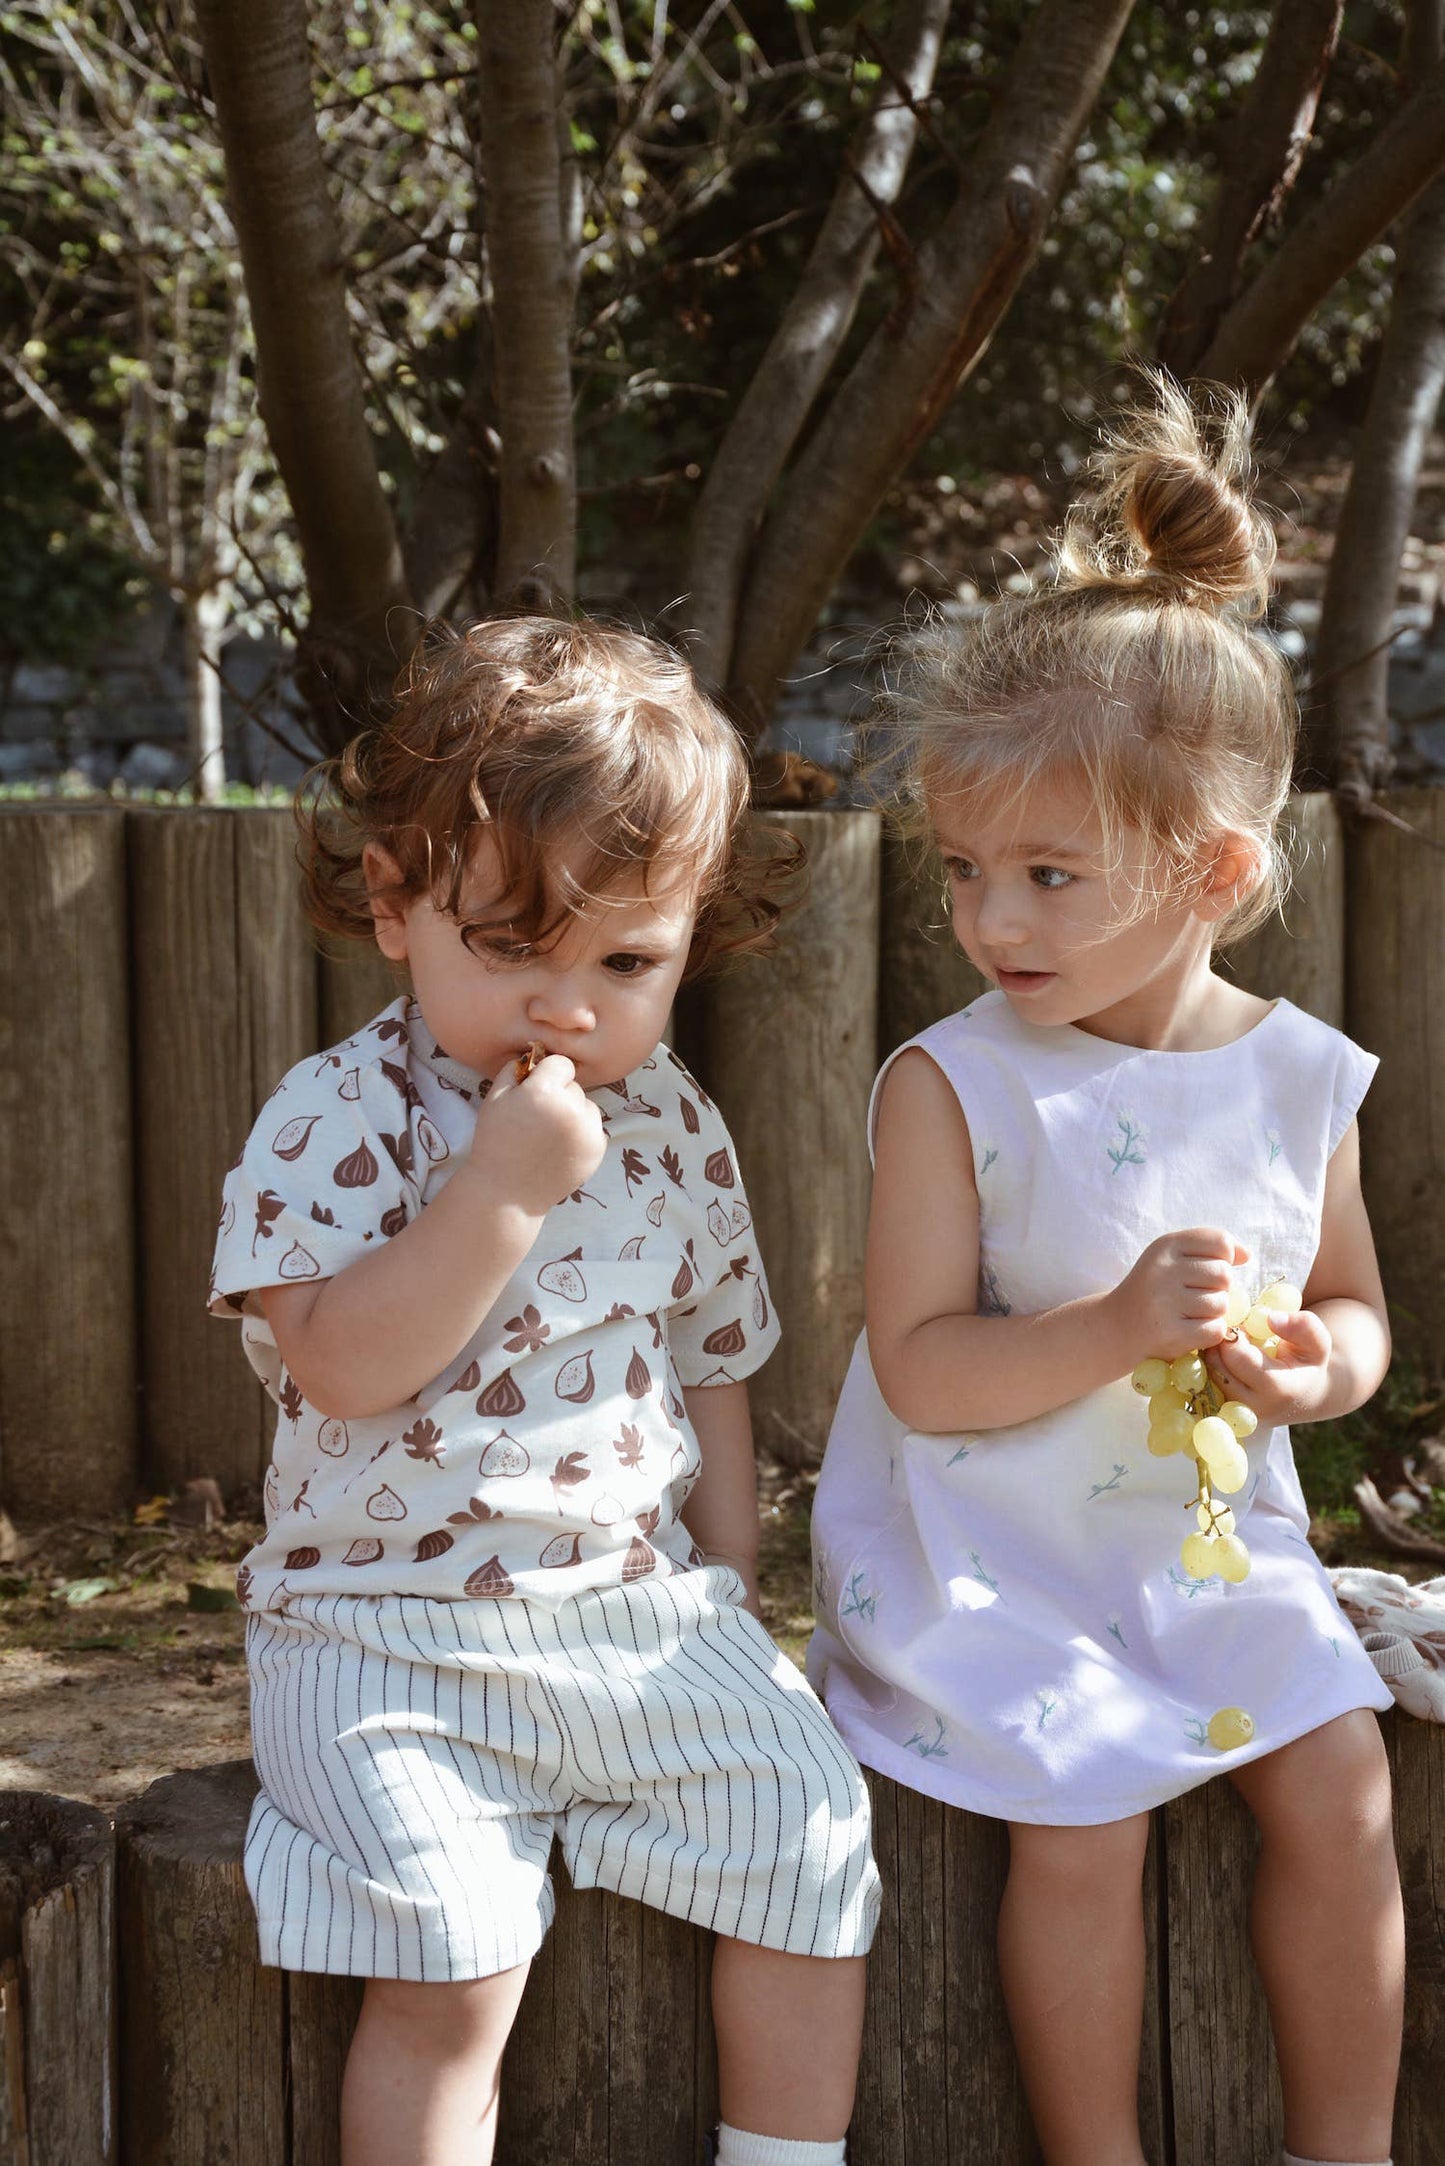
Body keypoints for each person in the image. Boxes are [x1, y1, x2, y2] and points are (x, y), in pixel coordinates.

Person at [807, 377, 1403, 2166]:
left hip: (1212, 1552)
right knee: (1085, 1815)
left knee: (1339, 1781)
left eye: (1048, 875)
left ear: (1210, 871)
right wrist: (1111, 1325)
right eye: (969, 869)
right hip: (998, 1571)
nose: (992, 921)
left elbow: (1360, 1311)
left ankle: (1343, 2148)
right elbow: (919, 1368)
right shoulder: (955, 1081)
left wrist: (1315, 1374)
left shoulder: (1298, 1076)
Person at [210, 616, 879, 2166]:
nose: (569, 1009)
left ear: (689, 934)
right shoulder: (335, 1118)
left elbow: (709, 1368)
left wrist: (726, 1579)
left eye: (627, 961)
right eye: (512, 948)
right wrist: (496, 1197)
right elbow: (342, 1360)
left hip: (629, 1616)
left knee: (810, 1833)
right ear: (394, 903)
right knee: (451, 1952)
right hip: (380, 1635)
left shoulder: (672, 1123)